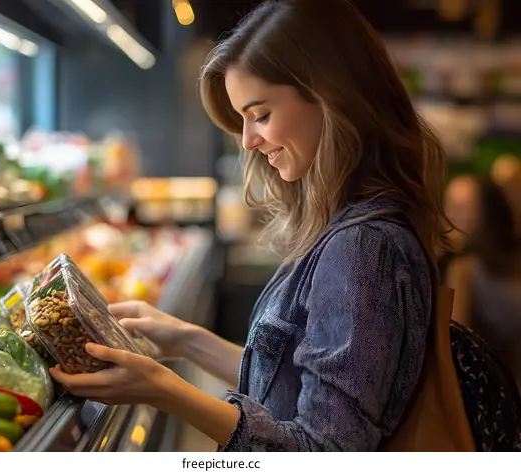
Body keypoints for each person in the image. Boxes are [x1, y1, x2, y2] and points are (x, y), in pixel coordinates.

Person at [51, 0, 521, 451]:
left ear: (329, 97)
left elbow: (323, 449)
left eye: (261, 115)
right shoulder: (362, 225)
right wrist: (187, 340)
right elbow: (302, 391)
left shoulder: (362, 247)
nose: (250, 140)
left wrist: (163, 389)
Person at [446, 176, 521, 385]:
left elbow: (455, 343)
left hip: (493, 391)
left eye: (462, 207)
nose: (452, 214)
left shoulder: (463, 269)